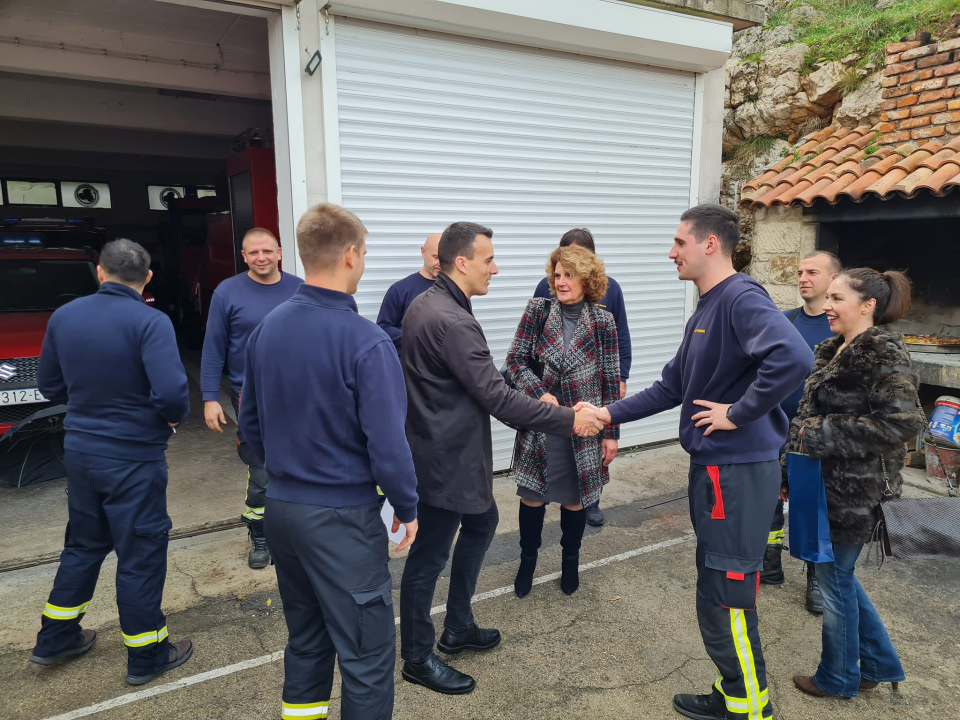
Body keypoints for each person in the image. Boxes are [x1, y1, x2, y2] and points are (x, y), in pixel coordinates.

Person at [575, 204, 813, 720]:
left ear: (710, 244)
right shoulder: (707, 308)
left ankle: (751, 709)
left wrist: (738, 412)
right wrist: (605, 414)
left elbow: (795, 358)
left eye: (679, 242)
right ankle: (734, 692)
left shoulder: (740, 298)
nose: (671, 252)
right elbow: (671, 387)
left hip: (736, 473)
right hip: (716, 470)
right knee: (714, 588)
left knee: (727, 594)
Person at [399, 221, 601, 696]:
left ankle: (458, 625)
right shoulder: (453, 320)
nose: (495, 268)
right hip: (446, 459)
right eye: (488, 259)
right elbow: (498, 396)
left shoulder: (429, 304)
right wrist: (569, 419)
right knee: (428, 558)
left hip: (444, 450)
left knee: (484, 521)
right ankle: (417, 657)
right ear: (462, 263)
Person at [238, 204, 420, 720]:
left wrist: (287, 471)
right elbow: (389, 445)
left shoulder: (267, 329)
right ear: (350, 255)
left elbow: (250, 424)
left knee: (307, 640)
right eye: (364, 253)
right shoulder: (365, 340)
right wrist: (407, 507)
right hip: (340, 522)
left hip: (282, 510)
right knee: (366, 656)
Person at [30, 239, 193, 686]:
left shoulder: (65, 316)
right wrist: (168, 419)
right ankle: (147, 655)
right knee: (139, 553)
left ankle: (55, 638)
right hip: (133, 458)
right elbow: (173, 395)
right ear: (148, 277)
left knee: (83, 545)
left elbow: (49, 386)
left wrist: (88, 403)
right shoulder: (151, 321)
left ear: (100, 272)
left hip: (82, 453)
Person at [784, 268, 922, 700]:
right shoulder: (832, 349)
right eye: (828, 297)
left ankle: (837, 677)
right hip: (819, 485)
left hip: (855, 492)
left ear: (868, 306)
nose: (827, 306)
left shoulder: (882, 353)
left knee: (834, 581)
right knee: (838, 576)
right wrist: (792, 467)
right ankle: (879, 664)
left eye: (837, 298)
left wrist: (819, 433)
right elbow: (806, 416)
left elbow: (902, 423)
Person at [507, 244, 620, 597]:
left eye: (569, 275)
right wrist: (540, 393)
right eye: (557, 275)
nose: (560, 282)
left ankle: (570, 561)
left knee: (575, 500)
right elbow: (515, 361)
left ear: (587, 280)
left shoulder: (603, 322)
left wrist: (611, 433)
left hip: (584, 429)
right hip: (542, 424)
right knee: (532, 497)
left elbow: (610, 379)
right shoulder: (538, 311)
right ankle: (527, 561)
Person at [200, 227, 302, 569]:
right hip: (250, 394)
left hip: (296, 392)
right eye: (253, 252)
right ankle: (260, 535)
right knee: (261, 467)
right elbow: (213, 347)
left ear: (280, 253)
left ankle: (297, 532)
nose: (261, 258)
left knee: (301, 461)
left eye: (267, 251)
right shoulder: (227, 292)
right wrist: (210, 397)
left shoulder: (299, 288)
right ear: (243, 256)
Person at [761, 250, 841, 615]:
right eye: (799, 272)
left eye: (812, 272)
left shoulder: (839, 327)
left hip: (816, 435)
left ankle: (816, 577)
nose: (803, 278)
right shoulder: (785, 320)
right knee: (769, 498)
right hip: (776, 427)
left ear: (833, 279)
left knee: (812, 506)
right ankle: (769, 563)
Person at [534, 228, 630, 527]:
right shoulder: (546, 288)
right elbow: (532, 342)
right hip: (553, 386)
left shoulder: (610, 290)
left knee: (589, 446)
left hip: (591, 385)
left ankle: (590, 502)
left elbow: (621, 338)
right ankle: (543, 494)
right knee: (549, 445)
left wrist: (621, 376)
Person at [377, 232, 442, 351]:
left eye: (444, 258)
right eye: (436, 257)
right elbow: (383, 328)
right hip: (409, 361)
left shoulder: (456, 291)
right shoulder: (400, 290)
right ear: (423, 252)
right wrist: (418, 338)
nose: (440, 263)